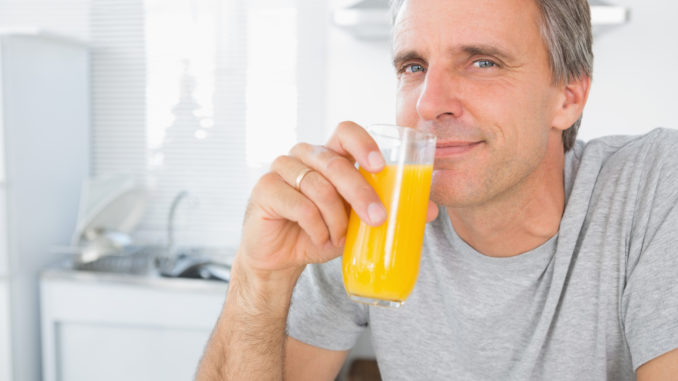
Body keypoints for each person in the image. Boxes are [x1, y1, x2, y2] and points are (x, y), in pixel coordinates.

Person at [195, 0, 678, 379]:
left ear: (567, 99)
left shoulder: (653, 186)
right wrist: (259, 280)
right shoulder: (366, 208)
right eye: (413, 66)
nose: (430, 104)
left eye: (483, 62)